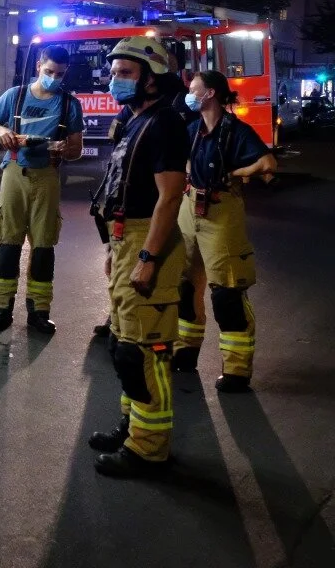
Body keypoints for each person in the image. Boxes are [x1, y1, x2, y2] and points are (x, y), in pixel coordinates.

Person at [86, 36, 189, 479]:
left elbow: (169, 198)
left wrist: (147, 256)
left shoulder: (164, 123)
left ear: (152, 80)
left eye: (125, 74)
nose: (114, 81)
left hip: (149, 241)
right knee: (123, 345)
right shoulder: (136, 120)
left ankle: (149, 449)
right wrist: (116, 248)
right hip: (129, 241)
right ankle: (133, 429)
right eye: (113, 73)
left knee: (144, 351)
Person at [172, 70, 276, 392]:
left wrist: (235, 173)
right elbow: (183, 164)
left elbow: (268, 164)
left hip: (221, 213)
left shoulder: (236, 131)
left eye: (194, 89)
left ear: (210, 94)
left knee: (226, 293)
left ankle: (236, 371)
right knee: (186, 286)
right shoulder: (191, 129)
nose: (189, 94)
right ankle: (185, 352)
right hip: (190, 210)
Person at [0, 45, 85, 334]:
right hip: (14, 173)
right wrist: (1, 131)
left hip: (48, 176)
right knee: (9, 243)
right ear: (39, 66)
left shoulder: (69, 104)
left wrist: (66, 148)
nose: (53, 77)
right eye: (49, 71)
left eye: (59, 74)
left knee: (43, 246)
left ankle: (39, 312)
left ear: (66, 72)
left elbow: (77, 149)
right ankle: (1, 309)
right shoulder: (15, 96)